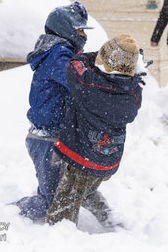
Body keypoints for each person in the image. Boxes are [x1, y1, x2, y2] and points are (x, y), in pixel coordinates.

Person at [46, 34, 144, 227]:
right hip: (108, 160)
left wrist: (96, 56)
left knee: (66, 199)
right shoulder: (133, 93)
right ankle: (110, 219)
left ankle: (60, 234)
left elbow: (75, 63)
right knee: (88, 190)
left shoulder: (88, 84)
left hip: (83, 157)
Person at [14, 1, 93, 221]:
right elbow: (76, 80)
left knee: (73, 187)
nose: (83, 35)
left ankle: (109, 221)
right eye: (79, 30)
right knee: (49, 201)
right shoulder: (58, 55)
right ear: (65, 29)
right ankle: (8, 214)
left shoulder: (61, 52)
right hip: (46, 138)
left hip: (56, 135)